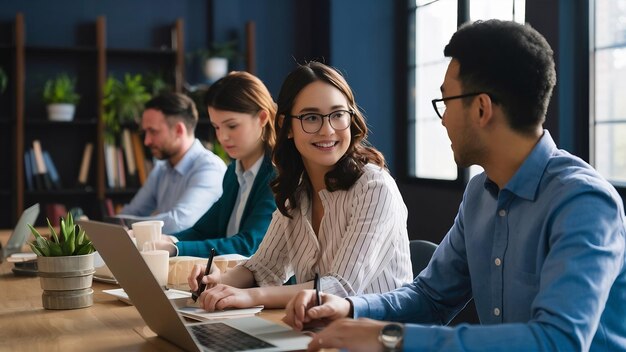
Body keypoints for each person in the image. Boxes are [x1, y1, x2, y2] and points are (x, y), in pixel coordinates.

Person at [283, 20, 626, 351]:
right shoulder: (480, 193)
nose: (444, 118)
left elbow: (557, 342)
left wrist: (389, 338)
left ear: (481, 108)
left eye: (446, 102)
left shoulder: (584, 202)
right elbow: (431, 297)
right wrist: (351, 309)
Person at [188, 61, 413, 311]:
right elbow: (263, 267)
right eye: (311, 117)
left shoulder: (374, 186)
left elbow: (341, 287)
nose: (327, 130)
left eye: (338, 115)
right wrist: (220, 281)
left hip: (381, 338)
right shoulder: (295, 191)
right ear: (288, 127)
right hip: (320, 332)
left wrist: (252, 297)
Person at [152, 71, 277, 258]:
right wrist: (168, 240)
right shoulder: (233, 173)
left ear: (262, 118)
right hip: (229, 281)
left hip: (265, 286)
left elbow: (249, 245)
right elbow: (202, 231)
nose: (222, 137)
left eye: (232, 126)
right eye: (217, 127)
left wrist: (175, 249)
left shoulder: (277, 175)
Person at [119, 92, 227, 234]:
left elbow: (179, 223)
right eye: (145, 132)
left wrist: (123, 226)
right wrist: (115, 225)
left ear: (178, 130)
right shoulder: (161, 169)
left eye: (153, 132)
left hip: (197, 255)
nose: (146, 141)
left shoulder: (209, 168)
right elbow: (133, 211)